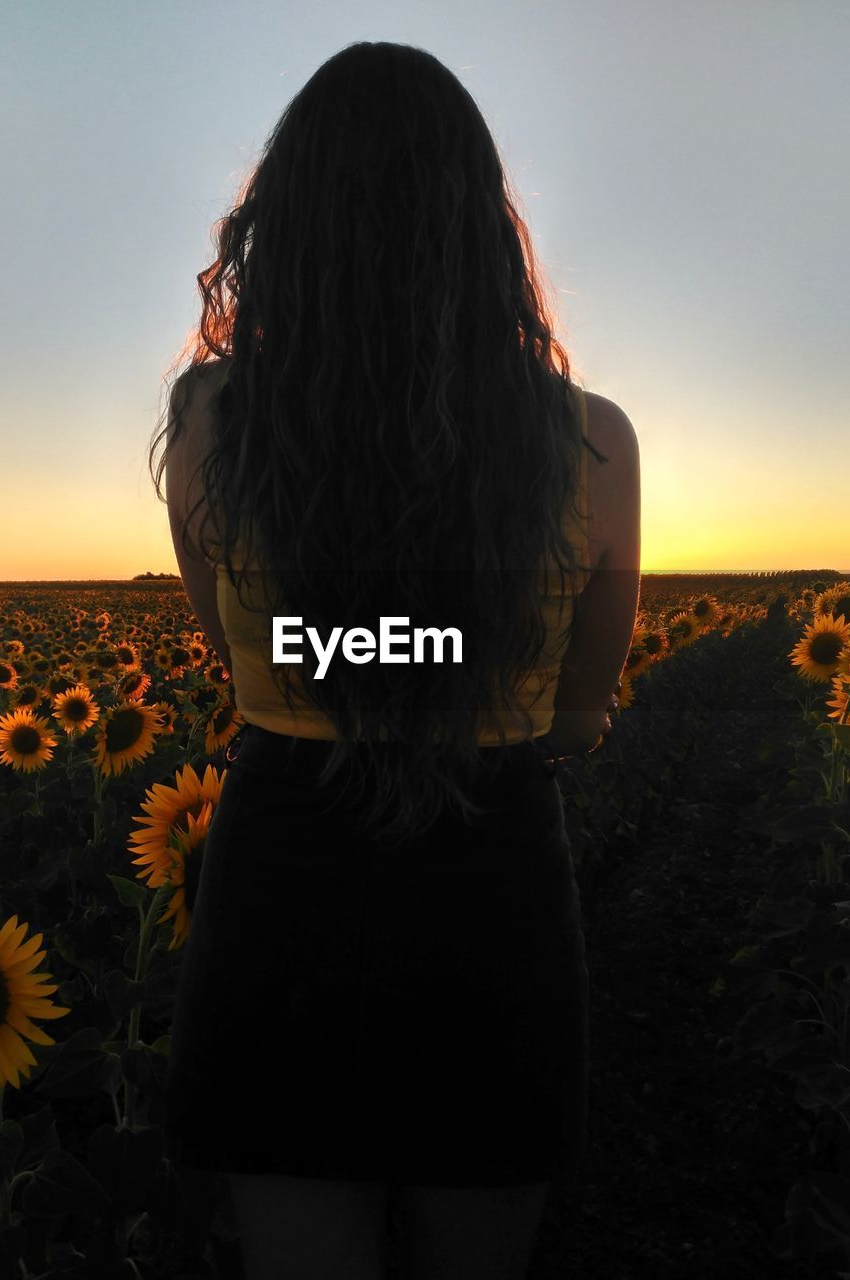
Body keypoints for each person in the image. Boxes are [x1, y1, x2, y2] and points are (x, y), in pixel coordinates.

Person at [151, 39, 640, 1280]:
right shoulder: (589, 441)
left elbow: (247, 663)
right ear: (484, 227)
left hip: (280, 879)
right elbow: (584, 712)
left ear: (286, 220)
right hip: (492, 885)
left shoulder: (212, 422)